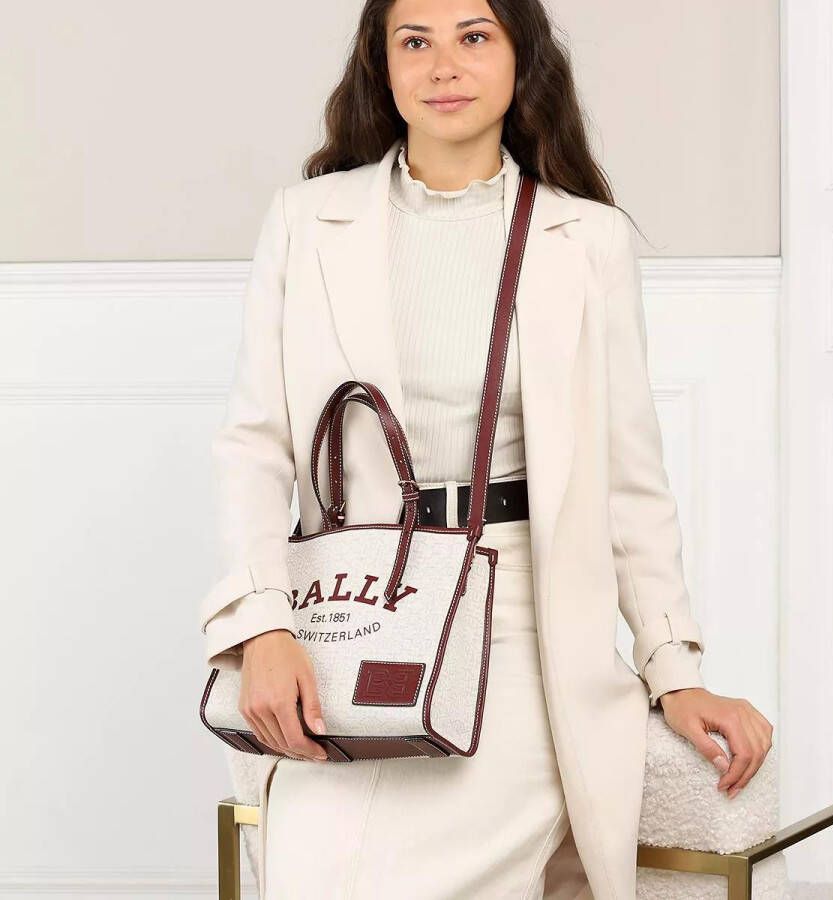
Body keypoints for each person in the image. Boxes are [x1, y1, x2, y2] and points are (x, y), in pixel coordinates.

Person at [199, 1, 775, 897]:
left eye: (474, 37)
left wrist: (674, 668)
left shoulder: (585, 240)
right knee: (313, 869)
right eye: (415, 41)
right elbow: (255, 443)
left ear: (519, 57)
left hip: (522, 624)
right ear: (382, 66)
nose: (444, 66)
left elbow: (629, 482)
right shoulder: (306, 221)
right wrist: (262, 626)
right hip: (351, 609)